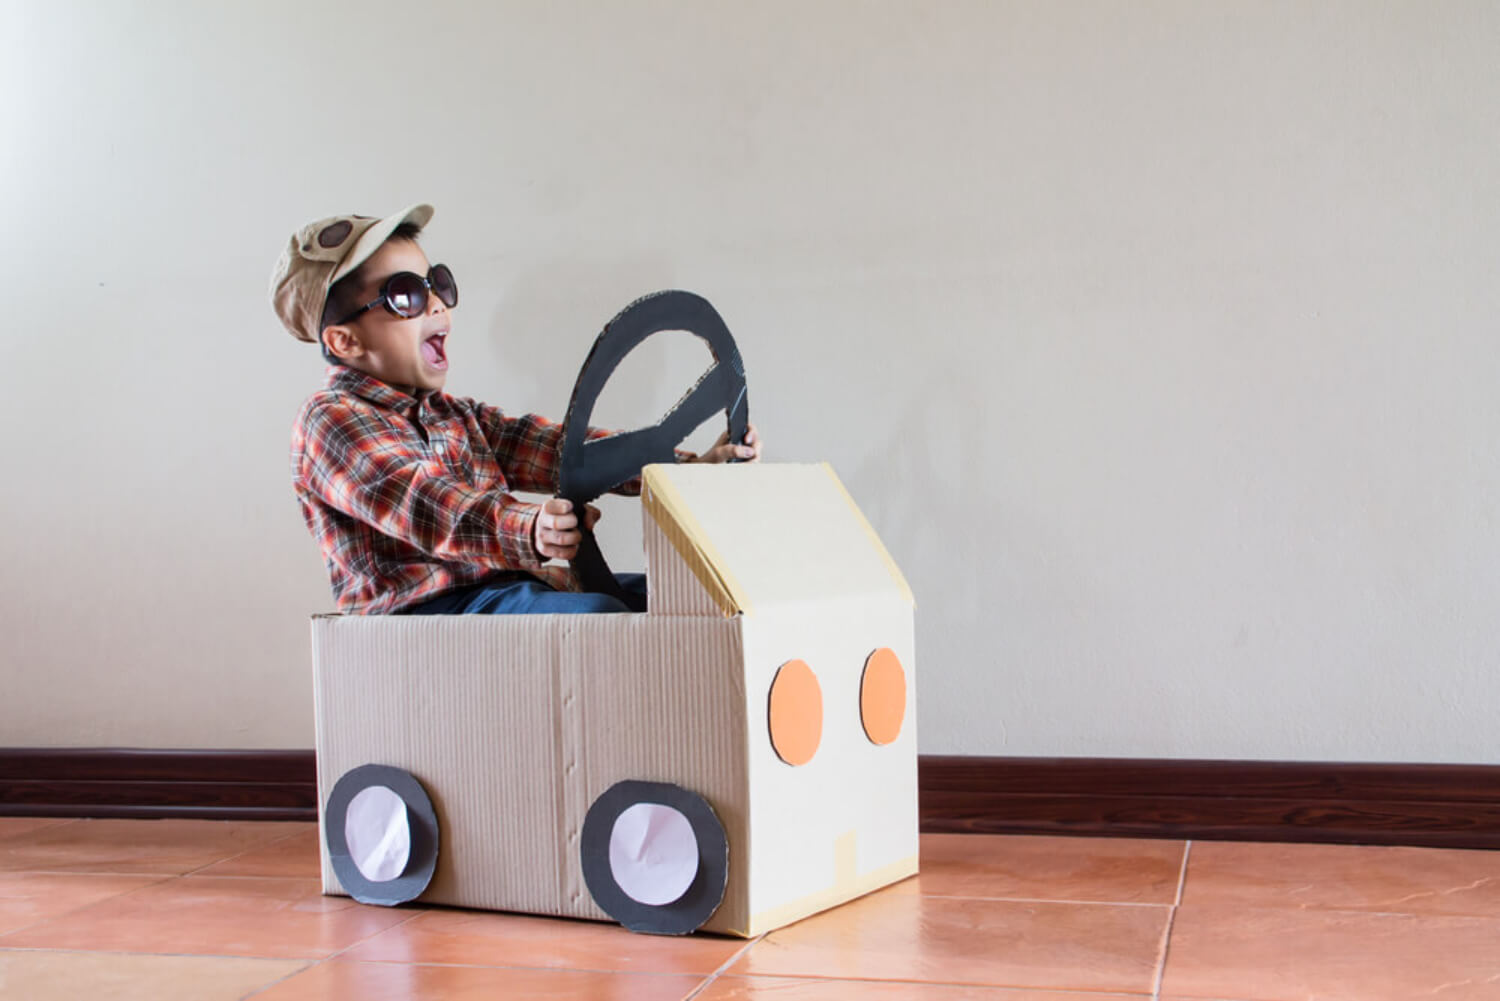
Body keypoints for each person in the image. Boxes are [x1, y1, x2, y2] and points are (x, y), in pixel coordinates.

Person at [270, 203, 762, 615]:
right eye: (407, 296)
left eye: (437, 283)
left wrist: (688, 468)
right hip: (427, 612)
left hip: (507, 591)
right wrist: (527, 528)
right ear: (345, 340)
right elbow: (425, 504)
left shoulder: (455, 415)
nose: (438, 305)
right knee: (600, 620)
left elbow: (556, 450)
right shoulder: (330, 422)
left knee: (675, 602)